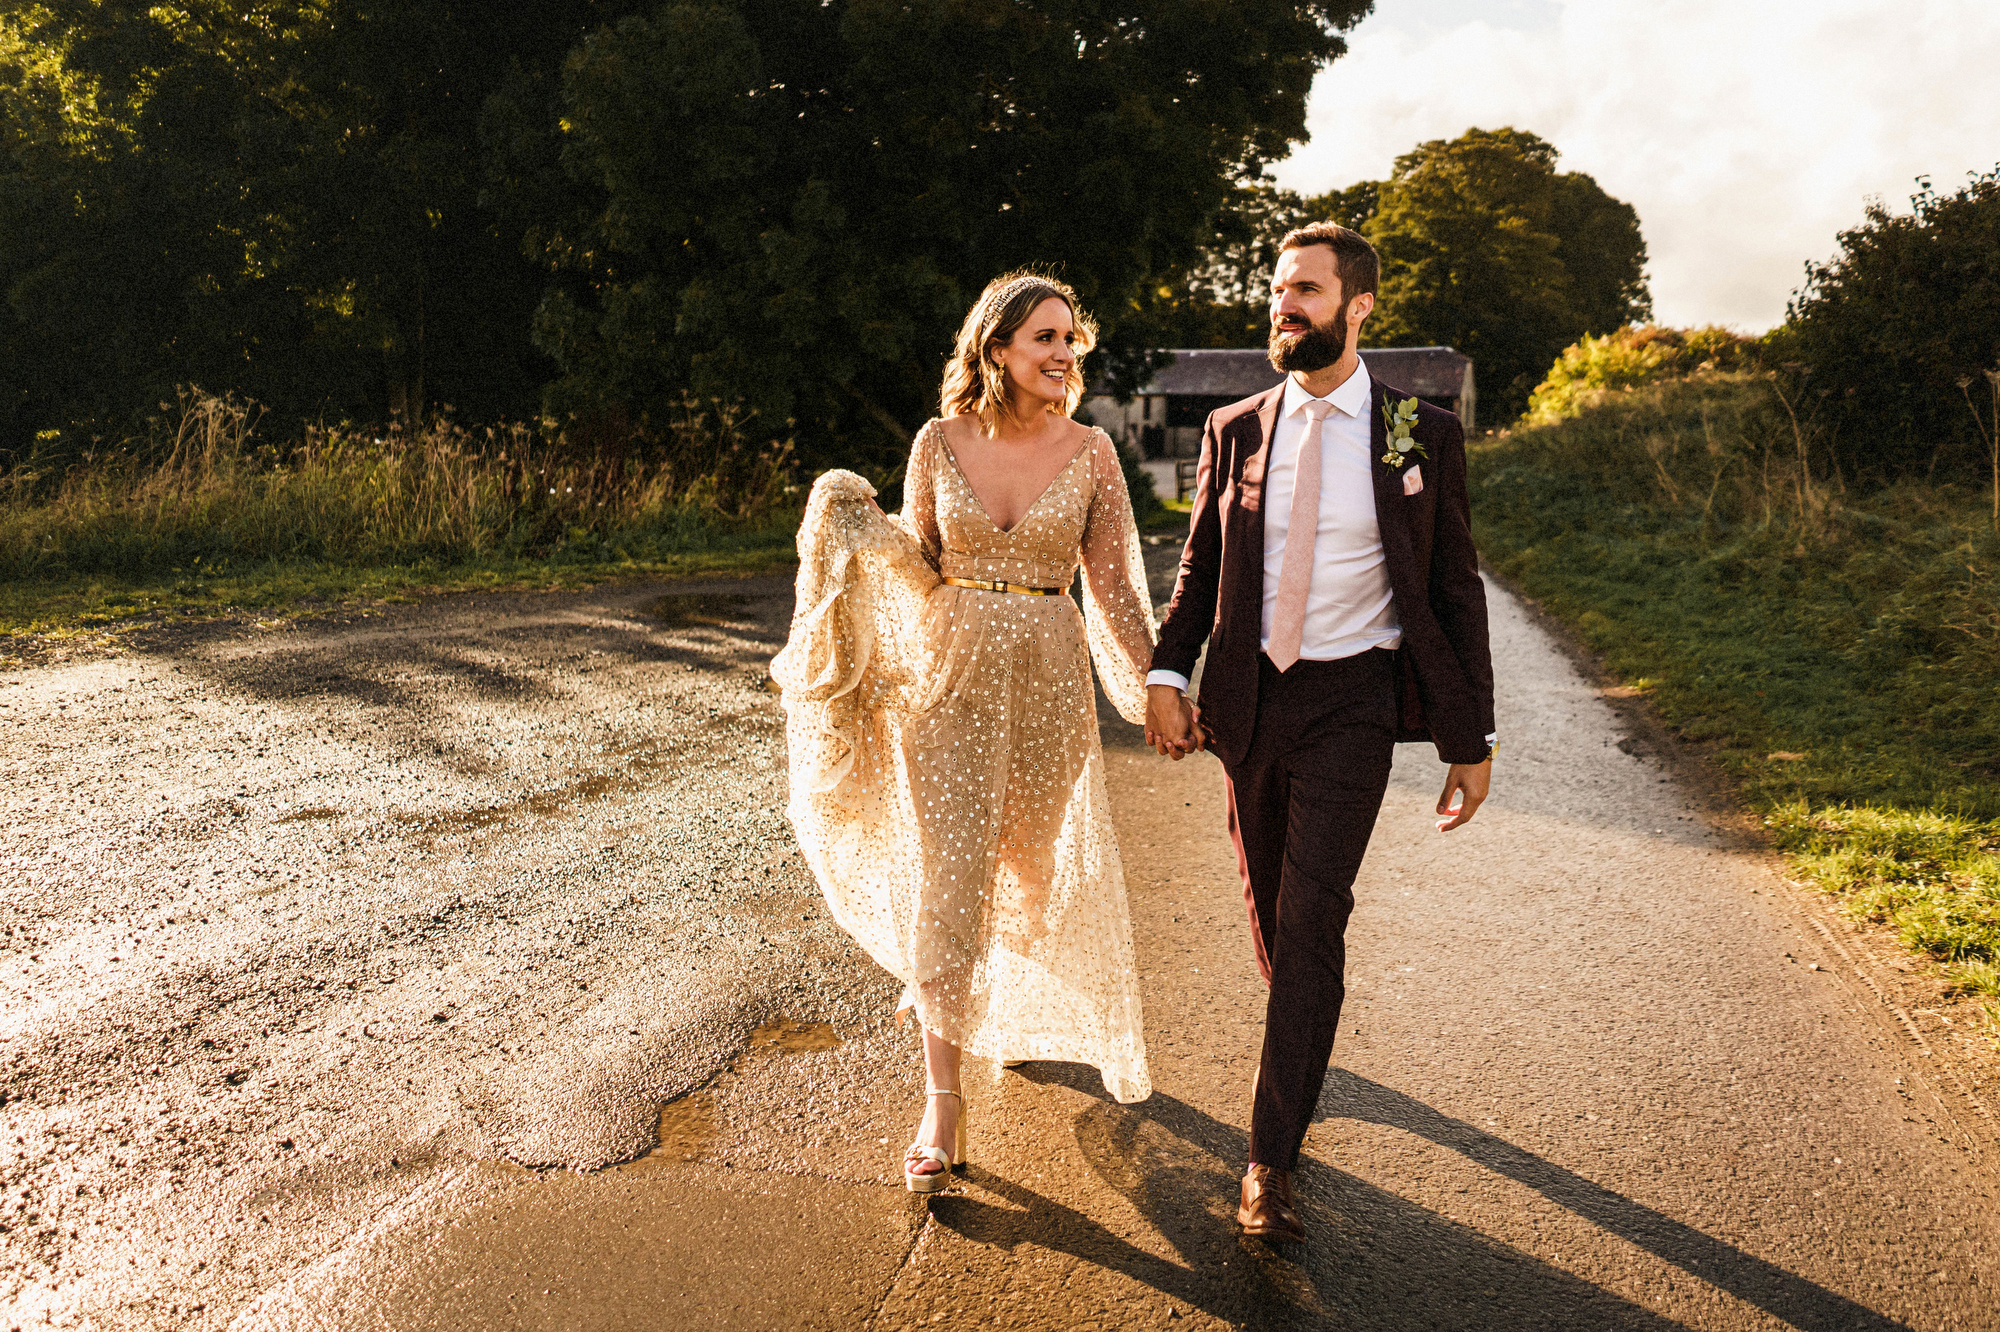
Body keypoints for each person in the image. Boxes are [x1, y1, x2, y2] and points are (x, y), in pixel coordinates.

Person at [1143, 222, 1497, 1244]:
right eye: (1275, 292)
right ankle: (1304, 1031)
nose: (1280, 306)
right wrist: (1169, 670)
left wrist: (1468, 741)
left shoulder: (1416, 433)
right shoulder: (1234, 429)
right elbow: (1200, 565)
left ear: (1358, 307)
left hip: (1352, 705)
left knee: (1309, 924)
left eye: (1301, 289)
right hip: (1248, 707)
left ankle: (1265, 1161)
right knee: (1272, 915)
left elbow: (1452, 588)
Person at [771, 270, 1157, 1194]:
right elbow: (920, 563)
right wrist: (851, 518)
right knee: (950, 876)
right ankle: (943, 1099)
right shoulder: (938, 440)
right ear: (995, 350)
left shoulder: (1095, 452)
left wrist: (1162, 689)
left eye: (1070, 339)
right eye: (1045, 340)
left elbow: (1112, 591)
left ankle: (990, 1006)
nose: (1065, 355)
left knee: (1027, 863)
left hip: (1051, 686)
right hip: (948, 682)